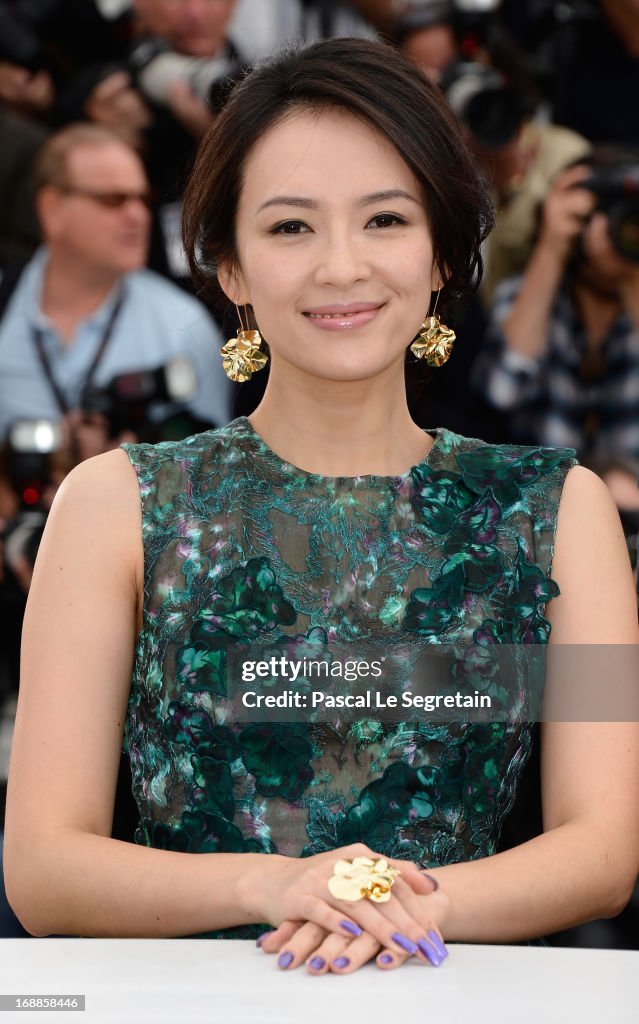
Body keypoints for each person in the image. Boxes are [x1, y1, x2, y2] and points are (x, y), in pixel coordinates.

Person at [3, 40, 638, 975]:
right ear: (229, 267)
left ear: (441, 256)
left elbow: (602, 850)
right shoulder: (115, 505)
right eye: (291, 227)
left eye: (384, 219)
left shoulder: (560, 514)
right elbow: (43, 869)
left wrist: (374, 906)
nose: (342, 266)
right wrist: (272, 885)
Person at [0, 123, 232, 449]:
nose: (137, 215)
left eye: (142, 198)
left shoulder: (183, 325)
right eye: (113, 200)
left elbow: (215, 474)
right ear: (51, 208)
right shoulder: (7, 307)